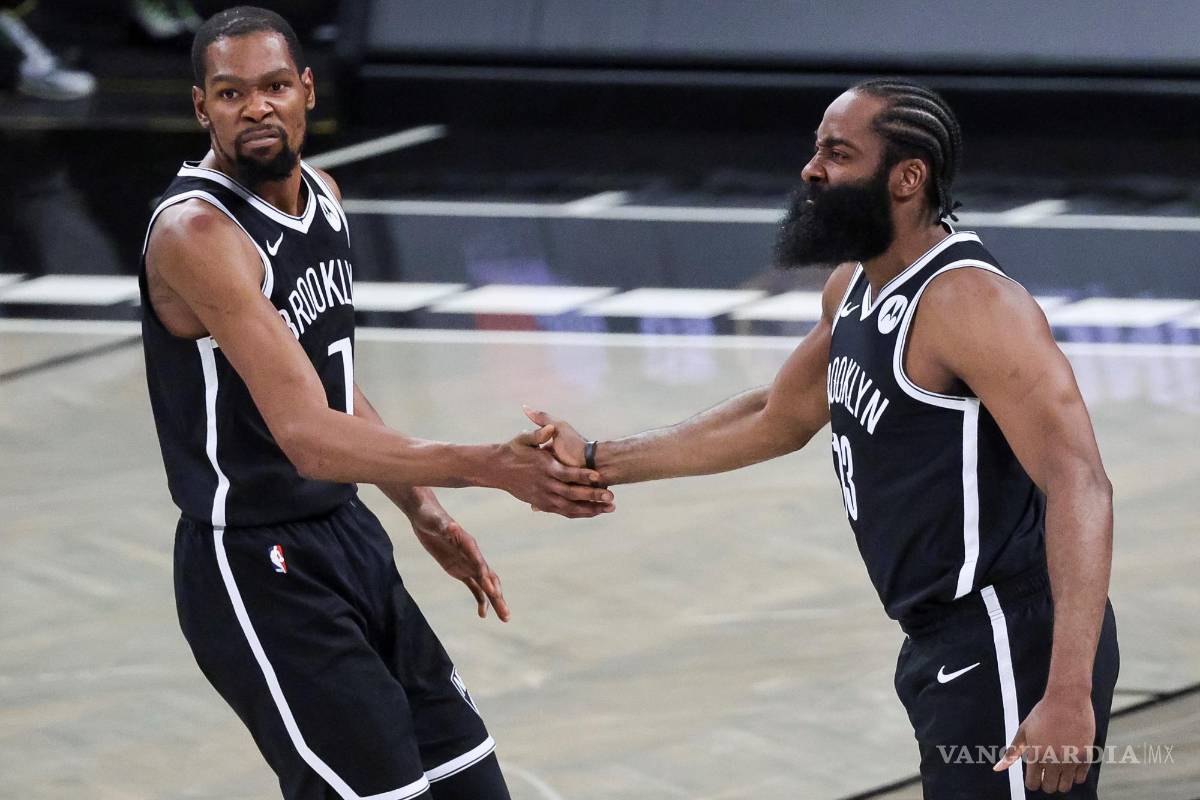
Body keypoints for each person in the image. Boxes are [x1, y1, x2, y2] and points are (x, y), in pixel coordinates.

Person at [528, 78, 1119, 798]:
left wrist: (1068, 688)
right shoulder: (853, 286)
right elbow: (775, 416)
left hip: (1009, 634)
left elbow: (1080, 481)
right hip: (941, 638)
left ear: (907, 177)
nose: (812, 170)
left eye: (838, 154)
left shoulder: (971, 303)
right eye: (817, 150)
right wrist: (597, 459)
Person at [139, 7, 613, 799]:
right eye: (230, 93)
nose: (255, 107)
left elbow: (330, 386)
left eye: (273, 86)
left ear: (306, 90)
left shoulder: (323, 196)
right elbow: (307, 436)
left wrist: (421, 506)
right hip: (257, 565)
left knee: (472, 784)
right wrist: (489, 466)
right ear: (201, 107)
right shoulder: (198, 234)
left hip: (348, 535)